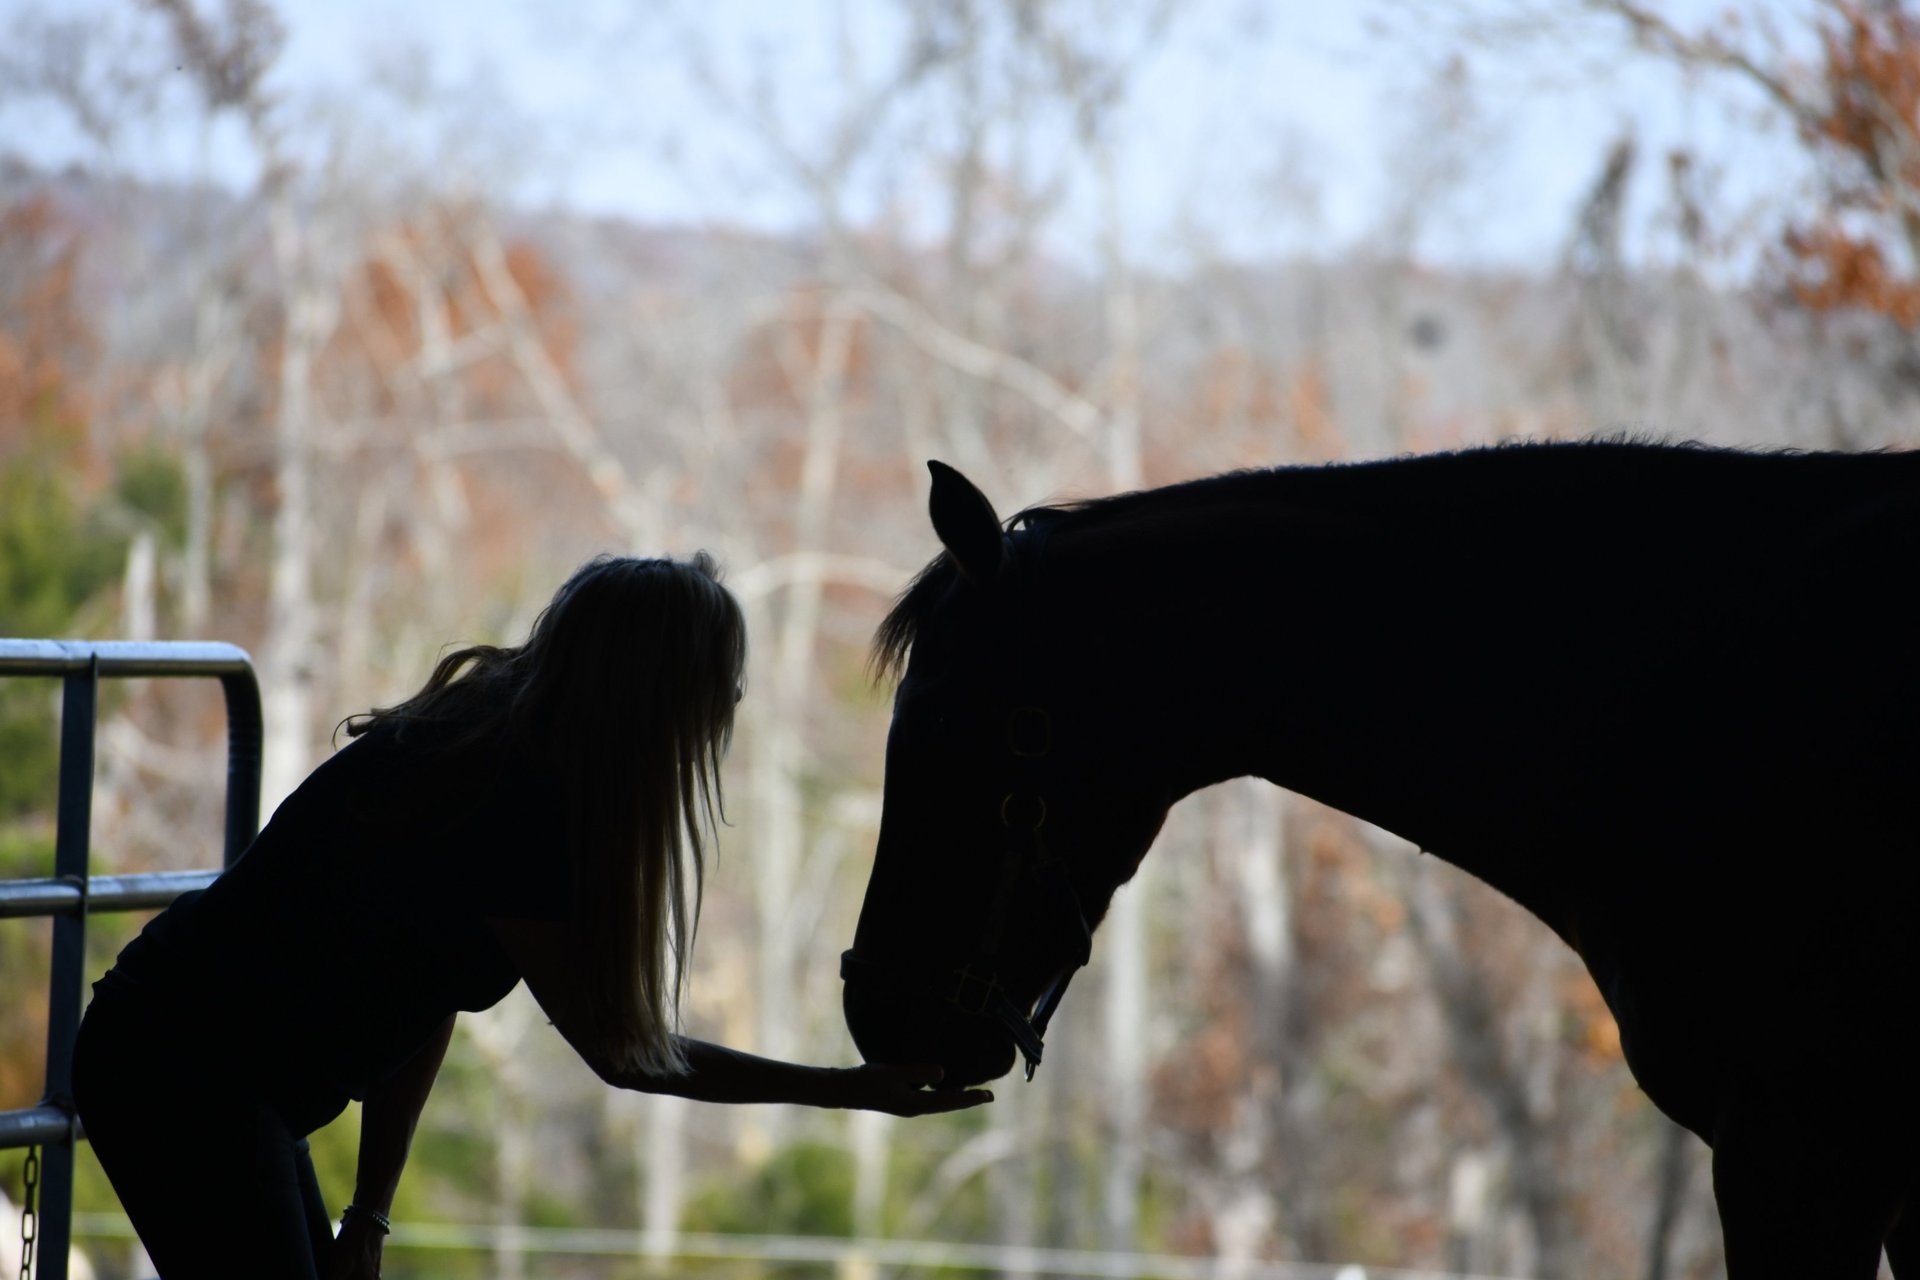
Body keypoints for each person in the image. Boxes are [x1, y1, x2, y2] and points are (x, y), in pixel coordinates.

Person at [72, 553, 988, 1279]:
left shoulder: (489, 754)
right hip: (184, 1071)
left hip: (207, 1069)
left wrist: (370, 1213)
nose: (729, 704)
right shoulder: (515, 805)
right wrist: (843, 1088)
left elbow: (425, 995)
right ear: (651, 692)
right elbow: (624, 1054)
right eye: (715, 683)